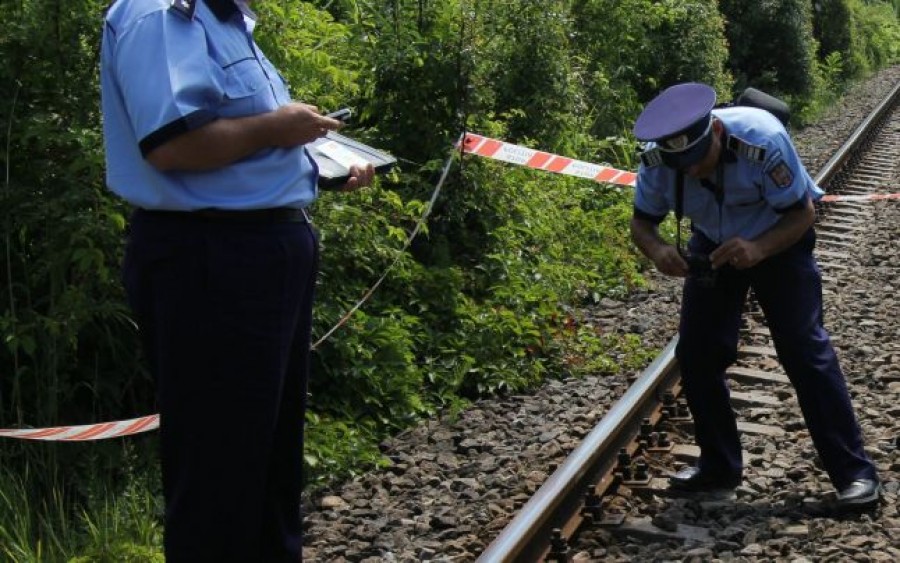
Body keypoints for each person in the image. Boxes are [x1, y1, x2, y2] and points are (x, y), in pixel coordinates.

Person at [100, 0, 374, 560]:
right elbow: (172, 146)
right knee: (220, 467)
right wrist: (280, 126)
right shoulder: (159, 15)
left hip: (260, 252)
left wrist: (317, 167)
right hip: (213, 259)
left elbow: (240, 149)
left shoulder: (226, 22)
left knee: (269, 462)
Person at [629, 82, 881, 510]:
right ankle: (718, 468)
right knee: (696, 354)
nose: (692, 173)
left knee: (805, 351)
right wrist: (657, 250)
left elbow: (803, 213)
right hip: (713, 243)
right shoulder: (661, 161)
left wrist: (760, 248)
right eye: (682, 167)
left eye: (698, 162)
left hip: (779, 240)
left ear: (717, 135)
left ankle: (855, 475)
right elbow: (642, 224)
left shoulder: (762, 140)